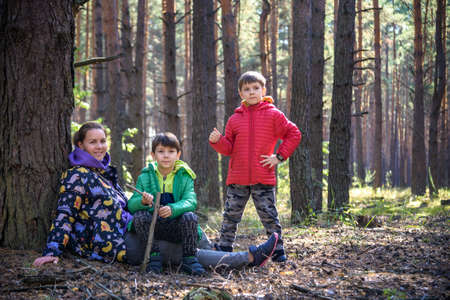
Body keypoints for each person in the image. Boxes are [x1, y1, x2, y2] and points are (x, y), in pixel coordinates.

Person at [33, 122, 278, 272]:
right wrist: (52, 250)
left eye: (103, 141)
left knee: (187, 232)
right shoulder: (77, 176)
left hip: (132, 229)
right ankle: (248, 257)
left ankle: (215, 253)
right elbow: (65, 213)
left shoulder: (104, 173)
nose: (99, 147)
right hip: (116, 244)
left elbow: (126, 205)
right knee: (176, 251)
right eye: (92, 142)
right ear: (80, 146)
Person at [209, 71, 301, 262]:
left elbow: (294, 133)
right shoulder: (235, 119)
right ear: (241, 93)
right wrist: (218, 141)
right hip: (238, 178)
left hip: (263, 177)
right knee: (230, 215)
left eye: (256, 88)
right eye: (247, 89)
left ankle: (278, 250)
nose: (252, 92)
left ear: (263, 90)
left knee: (269, 215)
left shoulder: (274, 115)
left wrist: (279, 156)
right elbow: (228, 149)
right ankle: (224, 246)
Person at [127, 132, 206, 275]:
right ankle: (154, 258)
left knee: (190, 217)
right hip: (153, 227)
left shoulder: (184, 175)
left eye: (171, 151)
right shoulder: (145, 176)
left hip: (176, 226)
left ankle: (189, 260)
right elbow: (131, 205)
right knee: (139, 216)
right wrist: (143, 201)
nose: (166, 155)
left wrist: (173, 208)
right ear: (153, 155)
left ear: (178, 154)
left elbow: (191, 201)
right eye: (161, 151)